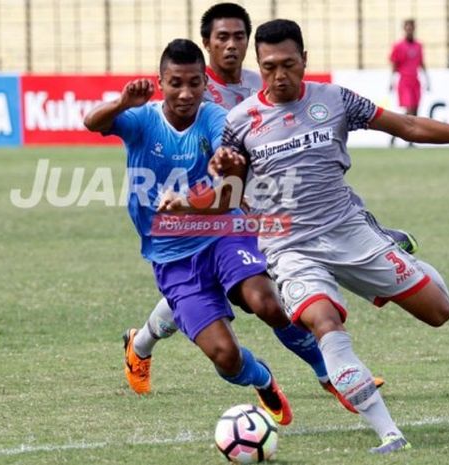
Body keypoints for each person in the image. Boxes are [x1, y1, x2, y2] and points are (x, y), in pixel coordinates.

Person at [208, 19, 449, 454]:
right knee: (323, 321)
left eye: (288, 64)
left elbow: (408, 127)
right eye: (269, 67)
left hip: (350, 233)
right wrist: (226, 176)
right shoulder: (239, 123)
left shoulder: (335, 100)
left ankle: (393, 245)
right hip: (290, 249)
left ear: (305, 61)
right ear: (260, 65)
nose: (279, 75)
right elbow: (224, 199)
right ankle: (389, 433)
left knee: (439, 311)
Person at [124, 2, 415, 402]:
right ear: (206, 43)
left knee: (264, 299)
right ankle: (140, 344)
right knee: (212, 294)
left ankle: (327, 371)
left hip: (245, 211)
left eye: (239, 36)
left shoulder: (258, 81)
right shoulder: (194, 90)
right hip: (205, 212)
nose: (231, 45)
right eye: (221, 37)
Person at [82, 39, 296, 425]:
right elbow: (91, 122)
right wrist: (121, 103)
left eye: (194, 83)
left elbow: (222, 147)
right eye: (176, 83)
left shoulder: (213, 115)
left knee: (265, 302)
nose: (186, 93)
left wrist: (224, 162)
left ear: (203, 83)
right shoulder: (142, 119)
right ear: (160, 82)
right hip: (171, 255)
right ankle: (262, 379)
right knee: (227, 358)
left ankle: (333, 373)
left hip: (221, 231)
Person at [389, 19, 430, 147]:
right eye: (407, 27)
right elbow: (394, 65)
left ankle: (410, 140)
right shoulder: (398, 46)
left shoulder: (419, 45)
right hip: (404, 80)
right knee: (409, 110)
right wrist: (391, 80)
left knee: (415, 111)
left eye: (411, 27)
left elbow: (422, 63)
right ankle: (395, 134)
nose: (409, 30)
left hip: (415, 81)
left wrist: (427, 79)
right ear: (404, 29)